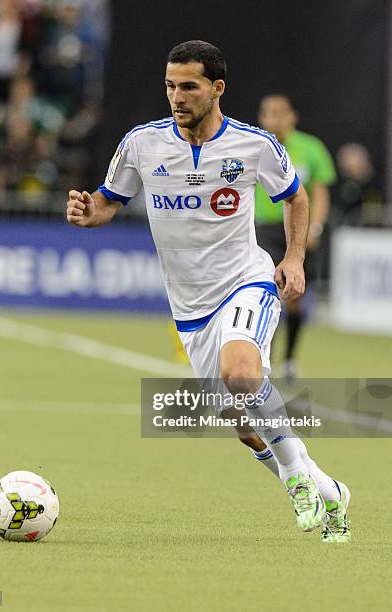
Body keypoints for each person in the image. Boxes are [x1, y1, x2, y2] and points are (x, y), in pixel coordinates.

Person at [66, 40, 350, 543]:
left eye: (189, 86)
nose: (177, 96)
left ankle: (295, 480)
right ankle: (327, 487)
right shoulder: (141, 144)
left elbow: (296, 196)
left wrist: (294, 257)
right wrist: (91, 213)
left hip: (246, 280)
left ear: (217, 89)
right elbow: (109, 201)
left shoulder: (254, 145)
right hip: (190, 307)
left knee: (241, 373)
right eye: (171, 86)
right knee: (241, 424)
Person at [255, 94, 336, 380]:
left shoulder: (310, 149)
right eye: (268, 114)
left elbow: (321, 192)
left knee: (293, 299)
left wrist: (314, 228)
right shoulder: (256, 147)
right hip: (265, 228)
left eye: (279, 113)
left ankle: (289, 359)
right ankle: (263, 360)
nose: (273, 119)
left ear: (292, 116)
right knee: (267, 293)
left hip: (299, 230)